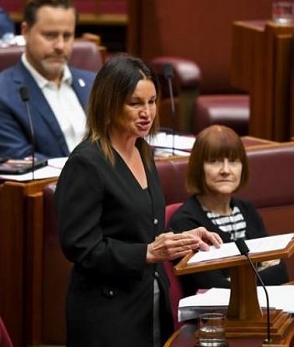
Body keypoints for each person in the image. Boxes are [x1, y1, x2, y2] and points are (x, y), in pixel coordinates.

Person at [55, 55, 222, 347]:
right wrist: (146, 253)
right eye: (135, 103)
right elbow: (81, 248)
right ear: (109, 104)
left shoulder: (143, 151)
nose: (147, 113)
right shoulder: (86, 163)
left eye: (152, 101)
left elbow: (142, 228)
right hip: (107, 316)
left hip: (150, 304)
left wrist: (183, 239)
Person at [0, 0, 96, 160]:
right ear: (25, 31)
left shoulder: (95, 84)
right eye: (50, 35)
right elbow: (20, 161)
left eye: (67, 36)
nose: (60, 45)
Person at [168, 125, 288, 297]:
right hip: (214, 319)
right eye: (215, 161)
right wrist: (261, 271)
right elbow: (215, 289)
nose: (226, 170)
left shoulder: (246, 209)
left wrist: (232, 281)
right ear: (198, 168)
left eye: (233, 161)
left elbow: (281, 272)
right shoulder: (186, 222)